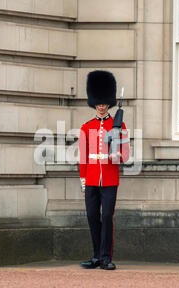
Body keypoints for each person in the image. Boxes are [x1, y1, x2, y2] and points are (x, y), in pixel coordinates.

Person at [78, 70, 130, 270]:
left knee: (107, 217)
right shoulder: (86, 127)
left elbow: (126, 154)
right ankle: (96, 256)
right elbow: (83, 158)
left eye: (104, 103)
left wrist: (117, 156)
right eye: (98, 103)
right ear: (94, 103)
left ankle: (106, 257)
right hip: (91, 179)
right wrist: (83, 181)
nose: (101, 106)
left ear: (108, 103)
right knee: (92, 217)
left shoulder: (118, 125)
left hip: (109, 179)